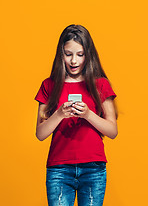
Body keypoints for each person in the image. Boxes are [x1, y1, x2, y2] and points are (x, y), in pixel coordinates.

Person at [34, 24, 118, 206]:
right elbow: (40, 134)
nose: (74, 61)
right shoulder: (49, 85)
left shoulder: (100, 84)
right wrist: (59, 114)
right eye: (68, 54)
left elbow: (112, 131)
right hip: (59, 169)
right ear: (60, 54)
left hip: (93, 168)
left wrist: (88, 114)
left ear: (88, 55)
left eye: (80, 55)